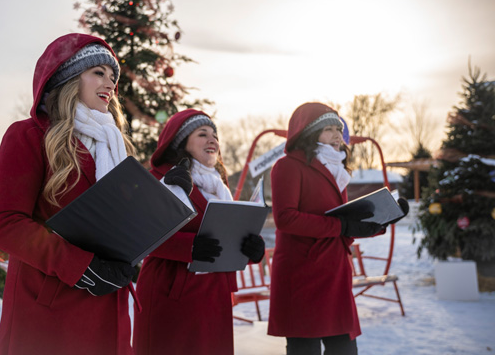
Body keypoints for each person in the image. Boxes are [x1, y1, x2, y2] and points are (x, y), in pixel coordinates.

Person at [0, 33, 137, 355]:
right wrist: (79, 266)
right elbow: (3, 223)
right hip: (50, 314)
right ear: (68, 77)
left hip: (109, 305)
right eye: (99, 72)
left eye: (113, 77)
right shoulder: (28, 136)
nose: (110, 82)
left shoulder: (115, 146)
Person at [267, 102, 408, 355]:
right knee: (305, 349)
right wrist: (343, 226)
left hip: (334, 272)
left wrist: (382, 220)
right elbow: (286, 218)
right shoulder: (287, 166)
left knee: (344, 348)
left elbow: (341, 221)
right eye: (328, 129)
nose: (336, 135)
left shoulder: (337, 169)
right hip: (302, 274)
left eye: (338, 128)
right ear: (309, 133)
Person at [132, 109, 266, 355]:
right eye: (203, 134)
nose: (212, 139)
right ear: (182, 143)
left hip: (214, 296)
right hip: (171, 293)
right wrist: (189, 247)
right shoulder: (158, 179)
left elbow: (223, 236)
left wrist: (249, 248)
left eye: (215, 135)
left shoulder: (220, 186)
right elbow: (140, 232)